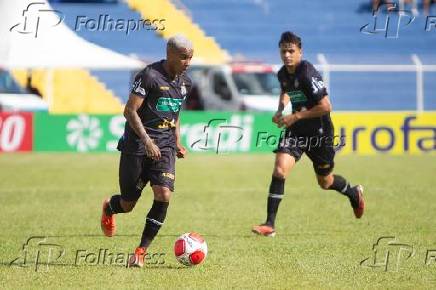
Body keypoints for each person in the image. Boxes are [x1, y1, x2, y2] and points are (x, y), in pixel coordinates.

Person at [252, 31, 365, 237]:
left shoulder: (307, 72)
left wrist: (295, 117)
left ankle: (353, 193)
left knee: (325, 182)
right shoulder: (283, 74)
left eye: (291, 51)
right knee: (279, 170)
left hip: (319, 134)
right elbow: (286, 91)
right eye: (284, 51)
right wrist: (280, 110)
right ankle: (269, 224)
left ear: (300, 52)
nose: (287, 55)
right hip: (296, 132)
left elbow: (326, 106)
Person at [100, 35, 193, 267]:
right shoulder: (149, 76)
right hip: (137, 146)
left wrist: (176, 140)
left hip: (165, 146)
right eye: (184, 57)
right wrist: (147, 142)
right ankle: (110, 207)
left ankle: (140, 252)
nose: (188, 62)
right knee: (128, 203)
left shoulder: (185, 82)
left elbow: (176, 112)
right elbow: (130, 111)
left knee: (164, 194)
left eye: (191, 57)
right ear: (170, 55)